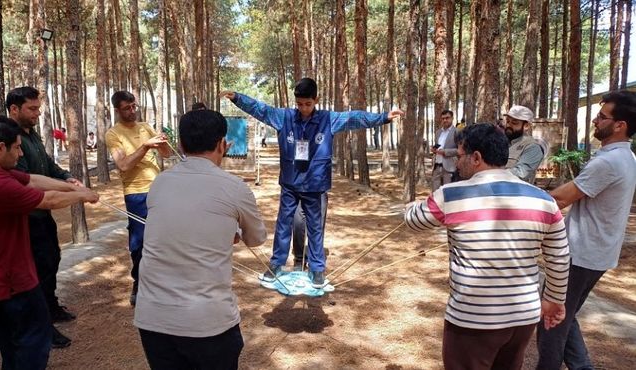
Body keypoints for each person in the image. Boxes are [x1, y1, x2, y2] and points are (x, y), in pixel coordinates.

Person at [404, 123, 570, 370]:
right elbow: (559, 257)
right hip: (523, 316)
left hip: (473, 319)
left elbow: (414, 221)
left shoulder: (451, 194)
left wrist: (410, 208)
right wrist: (554, 300)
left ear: (477, 157)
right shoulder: (544, 200)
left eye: (460, 156)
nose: (457, 164)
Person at [220, 77, 404, 288]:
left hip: (314, 184)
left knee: (315, 227)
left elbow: (355, 118)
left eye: (308, 104)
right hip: (290, 182)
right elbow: (261, 110)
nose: (303, 109)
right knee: (283, 224)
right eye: (299, 104)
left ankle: (317, 269)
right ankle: (277, 264)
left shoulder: (328, 120)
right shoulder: (285, 118)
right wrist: (238, 99)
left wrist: (383, 117)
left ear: (317, 100)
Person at [134, 109, 267, 369]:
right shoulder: (234, 187)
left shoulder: (160, 183)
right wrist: (229, 233)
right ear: (222, 145)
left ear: (181, 144)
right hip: (208, 324)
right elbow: (256, 238)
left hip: (152, 318)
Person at [0, 115, 98, 370]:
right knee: (33, 345)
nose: (20, 153)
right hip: (9, 282)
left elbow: (33, 179)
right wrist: (82, 196)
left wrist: (70, 187)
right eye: (16, 147)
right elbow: (45, 199)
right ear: (0, 148)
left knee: (12, 349)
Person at [536, 91, 636, 370]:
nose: (594, 120)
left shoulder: (609, 162)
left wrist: (520, 196)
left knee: (551, 319)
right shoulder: (627, 158)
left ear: (620, 125)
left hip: (580, 254)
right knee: (565, 315)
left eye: (602, 116)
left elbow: (559, 198)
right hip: (597, 253)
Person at [7, 86, 80, 348]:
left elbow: (47, 165)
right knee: (36, 270)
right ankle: (43, 326)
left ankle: (51, 307)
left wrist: (66, 177)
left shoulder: (32, 135)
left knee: (51, 260)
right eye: (32, 109)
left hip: (42, 216)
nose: (38, 113)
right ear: (14, 109)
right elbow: (28, 181)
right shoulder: (11, 139)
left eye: (38, 108)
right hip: (26, 217)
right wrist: (68, 191)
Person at [105, 90, 171, 307]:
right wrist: (145, 146)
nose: (132, 111)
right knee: (139, 241)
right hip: (135, 193)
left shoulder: (145, 127)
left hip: (159, 189)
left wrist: (162, 143)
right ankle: (139, 282)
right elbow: (123, 165)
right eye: (127, 108)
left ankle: (162, 282)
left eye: (134, 106)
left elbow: (167, 155)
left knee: (163, 237)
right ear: (117, 110)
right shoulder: (113, 134)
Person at [504, 105, 544, 184]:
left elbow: (521, 173)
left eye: (514, 123)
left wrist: (492, 174)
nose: (508, 125)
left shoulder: (532, 147)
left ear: (526, 126)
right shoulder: (501, 143)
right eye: (508, 121)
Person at [431, 109, 458, 191]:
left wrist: (445, 152)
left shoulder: (456, 132)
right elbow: (438, 146)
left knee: (448, 191)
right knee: (435, 191)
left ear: (452, 118)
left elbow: (460, 150)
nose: (445, 120)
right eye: (443, 118)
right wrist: (434, 149)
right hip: (437, 165)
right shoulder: (438, 132)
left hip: (449, 166)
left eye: (447, 118)